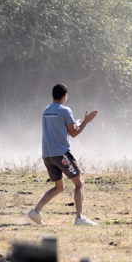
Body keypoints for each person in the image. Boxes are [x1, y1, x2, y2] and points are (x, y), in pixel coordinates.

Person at [28, 83, 98, 226]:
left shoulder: (46, 110)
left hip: (47, 155)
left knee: (59, 187)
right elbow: (74, 133)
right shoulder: (66, 110)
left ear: (52, 95)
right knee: (80, 183)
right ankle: (79, 218)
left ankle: (36, 211)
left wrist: (75, 123)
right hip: (61, 154)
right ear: (65, 96)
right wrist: (86, 121)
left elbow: (58, 129)